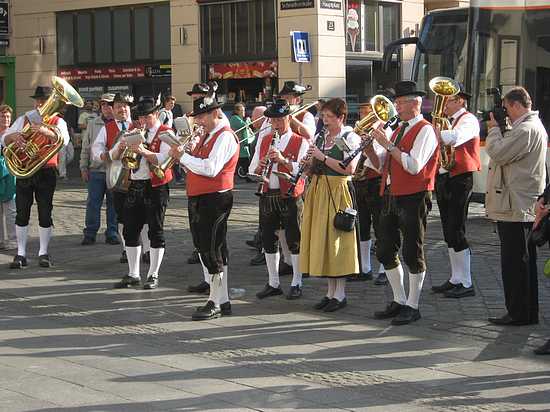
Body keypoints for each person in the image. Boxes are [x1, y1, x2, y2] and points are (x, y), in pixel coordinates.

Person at [366, 81, 438, 325]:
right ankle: (398, 299)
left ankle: (413, 304)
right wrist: (369, 150)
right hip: (390, 194)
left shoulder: (426, 130)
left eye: (399, 102)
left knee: (411, 251)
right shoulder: (398, 129)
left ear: (414, 103)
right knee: (385, 249)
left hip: (414, 195)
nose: (394, 106)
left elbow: (414, 165)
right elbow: (383, 165)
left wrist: (387, 144)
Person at [169, 90, 239, 320]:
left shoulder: (225, 136)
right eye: (196, 117)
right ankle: (223, 299)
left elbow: (211, 168)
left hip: (215, 198)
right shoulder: (208, 136)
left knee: (211, 249)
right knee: (208, 247)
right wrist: (186, 156)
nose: (198, 121)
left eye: (201, 117)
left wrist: (183, 157)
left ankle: (214, 301)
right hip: (201, 196)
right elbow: (197, 167)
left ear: (215, 113)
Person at [485, 86, 547, 326]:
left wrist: (493, 131)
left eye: (507, 108)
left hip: (517, 206)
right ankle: (525, 311)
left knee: (515, 263)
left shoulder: (526, 129)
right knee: (522, 261)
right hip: (518, 203)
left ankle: (519, 312)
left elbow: (499, 153)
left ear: (516, 105)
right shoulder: (528, 127)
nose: (506, 114)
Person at [300, 98, 361, 312]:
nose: (324, 121)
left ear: (341, 117)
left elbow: (349, 167)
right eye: (323, 116)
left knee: (337, 240)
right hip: (319, 189)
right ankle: (329, 292)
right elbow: (314, 165)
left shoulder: (347, 138)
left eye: (329, 117)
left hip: (337, 191)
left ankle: (340, 294)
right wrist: (307, 164)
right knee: (323, 240)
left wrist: (322, 157)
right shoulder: (321, 136)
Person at [2, 86, 72, 268]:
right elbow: (4, 140)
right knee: (21, 212)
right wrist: (14, 137)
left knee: (45, 212)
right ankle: (20, 253)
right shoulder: (25, 118)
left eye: (44, 100)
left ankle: (43, 252)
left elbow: (64, 140)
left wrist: (46, 131)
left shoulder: (58, 121)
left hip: (46, 171)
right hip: (25, 168)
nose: (40, 103)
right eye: (38, 100)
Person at [109, 96, 173, 290]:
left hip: (156, 186)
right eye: (141, 118)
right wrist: (121, 146)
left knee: (155, 229)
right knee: (130, 229)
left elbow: (165, 158)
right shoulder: (133, 131)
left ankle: (153, 274)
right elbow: (112, 156)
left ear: (155, 115)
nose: (143, 122)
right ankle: (133, 273)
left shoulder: (166, 132)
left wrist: (143, 151)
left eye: (146, 118)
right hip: (135, 185)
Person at [251, 99, 309, 300]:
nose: (276, 124)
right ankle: (273, 282)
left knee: (295, 238)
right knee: (268, 239)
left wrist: (283, 159)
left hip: (290, 195)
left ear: (289, 118)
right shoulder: (265, 139)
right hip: (268, 193)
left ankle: (297, 281)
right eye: (273, 120)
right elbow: (252, 169)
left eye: (280, 119)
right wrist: (260, 166)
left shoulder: (300, 141)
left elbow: (303, 171)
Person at [431, 84, 480, 298]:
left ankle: (466, 282)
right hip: (444, 177)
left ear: (460, 100)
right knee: (448, 230)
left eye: (448, 100)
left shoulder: (468, 119)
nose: (445, 105)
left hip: (460, 178)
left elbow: (455, 138)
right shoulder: (449, 121)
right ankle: (455, 278)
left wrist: (436, 129)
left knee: (457, 228)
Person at [349, 100, 387, 284]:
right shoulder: (357, 132)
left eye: (368, 113)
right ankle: (364, 268)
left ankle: (385, 268)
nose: (364, 117)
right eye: (362, 113)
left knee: (381, 227)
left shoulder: (382, 132)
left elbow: (379, 163)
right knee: (361, 226)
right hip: (359, 183)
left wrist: (368, 148)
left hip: (375, 182)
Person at [80, 93, 120, 245]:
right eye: (103, 104)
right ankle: (90, 233)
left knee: (113, 203)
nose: (106, 107)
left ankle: (112, 232)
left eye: (109, 104)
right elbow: (86, 147)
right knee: (93, 203)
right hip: (96, 170)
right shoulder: (93, 123)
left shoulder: (119, 124)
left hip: (114, 170)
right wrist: (83, 167)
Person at [0, 104, 16, 251]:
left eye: (8, 116)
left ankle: (12, 240)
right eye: (3, 116)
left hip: (10, 174)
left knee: (11, 211)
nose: (5, 118)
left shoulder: (14, 132)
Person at [229, 103, 253, 179]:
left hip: (242, 144)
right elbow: (245, 125)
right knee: (244, 161)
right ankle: (247, 176)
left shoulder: (239, 118)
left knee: (244, 160)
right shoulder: (234, 118)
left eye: (244, 110)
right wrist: (248, 119)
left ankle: (246, 175)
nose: (244, 112)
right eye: (242, 111)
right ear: (237, 111)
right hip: (239, 144)